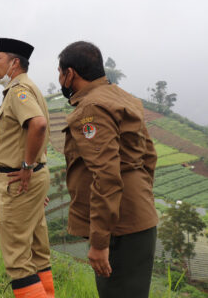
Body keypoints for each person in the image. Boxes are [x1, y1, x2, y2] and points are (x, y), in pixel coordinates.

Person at [58, 41, 158, 297]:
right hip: (139, 217)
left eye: (60, 73)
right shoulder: (124, 98)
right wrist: (141, 200)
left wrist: (100, 241)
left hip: (119, 228)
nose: (59, 79)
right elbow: (149, 156)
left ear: (71, 74)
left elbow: (106, 175)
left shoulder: (92, 108)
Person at [0, 38, 54, 298]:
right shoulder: (28, 88)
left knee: (17, 258)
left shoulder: (18, 91)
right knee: (38, 252)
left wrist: (27, 167)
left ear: (14, 63)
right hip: (31, 181)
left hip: (18, 181)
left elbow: (37, 125)